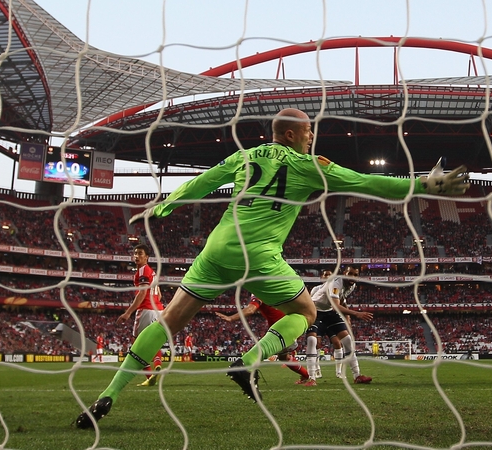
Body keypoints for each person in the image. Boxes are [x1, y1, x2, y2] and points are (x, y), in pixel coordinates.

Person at [75, 107, 470, 428]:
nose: (312, 136)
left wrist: (165, 205)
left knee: (167, 324)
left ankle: (107, 396)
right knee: (306, 312)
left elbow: (205, 182)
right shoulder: (307, 165)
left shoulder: (244, 156)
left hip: (217, 250)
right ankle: (248, 360)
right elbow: (366, 183)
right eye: (308, 131)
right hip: (259, 255)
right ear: (289, 135)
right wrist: (422, 186)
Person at [215, 293, 310, 383]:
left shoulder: (259, 293)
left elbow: (251, 309)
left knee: (271, 354)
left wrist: (231, 318)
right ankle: (306, 375)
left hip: (282, 329)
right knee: (283, 357)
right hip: (291, 323)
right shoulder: (274, 289)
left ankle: (246, 373)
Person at [304, 267, 373, 386]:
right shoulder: (336, 282)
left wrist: (348, 318)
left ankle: (357, 376)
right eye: (349, 274)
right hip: (315, 310)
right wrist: (356, 314)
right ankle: (312, 378)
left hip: (329, 312)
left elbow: (341, 300)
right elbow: (336, 305)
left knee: (347, 340)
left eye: (355, 274)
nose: (352, 276)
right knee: (312, 340)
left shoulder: (352, 285)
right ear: (344, 274)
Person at [116, 244, 165, 386]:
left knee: (137, 344)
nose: (136, 256)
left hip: (146, 310)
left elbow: (143, 293)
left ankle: (149, 376)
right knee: (153, 341)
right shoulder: (152, 272)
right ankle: (157, 364)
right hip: (159, 310)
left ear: (147, 257)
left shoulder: (143, 270)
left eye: (140, 253)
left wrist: (128, 313)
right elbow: (159, 295)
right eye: (135, 253)